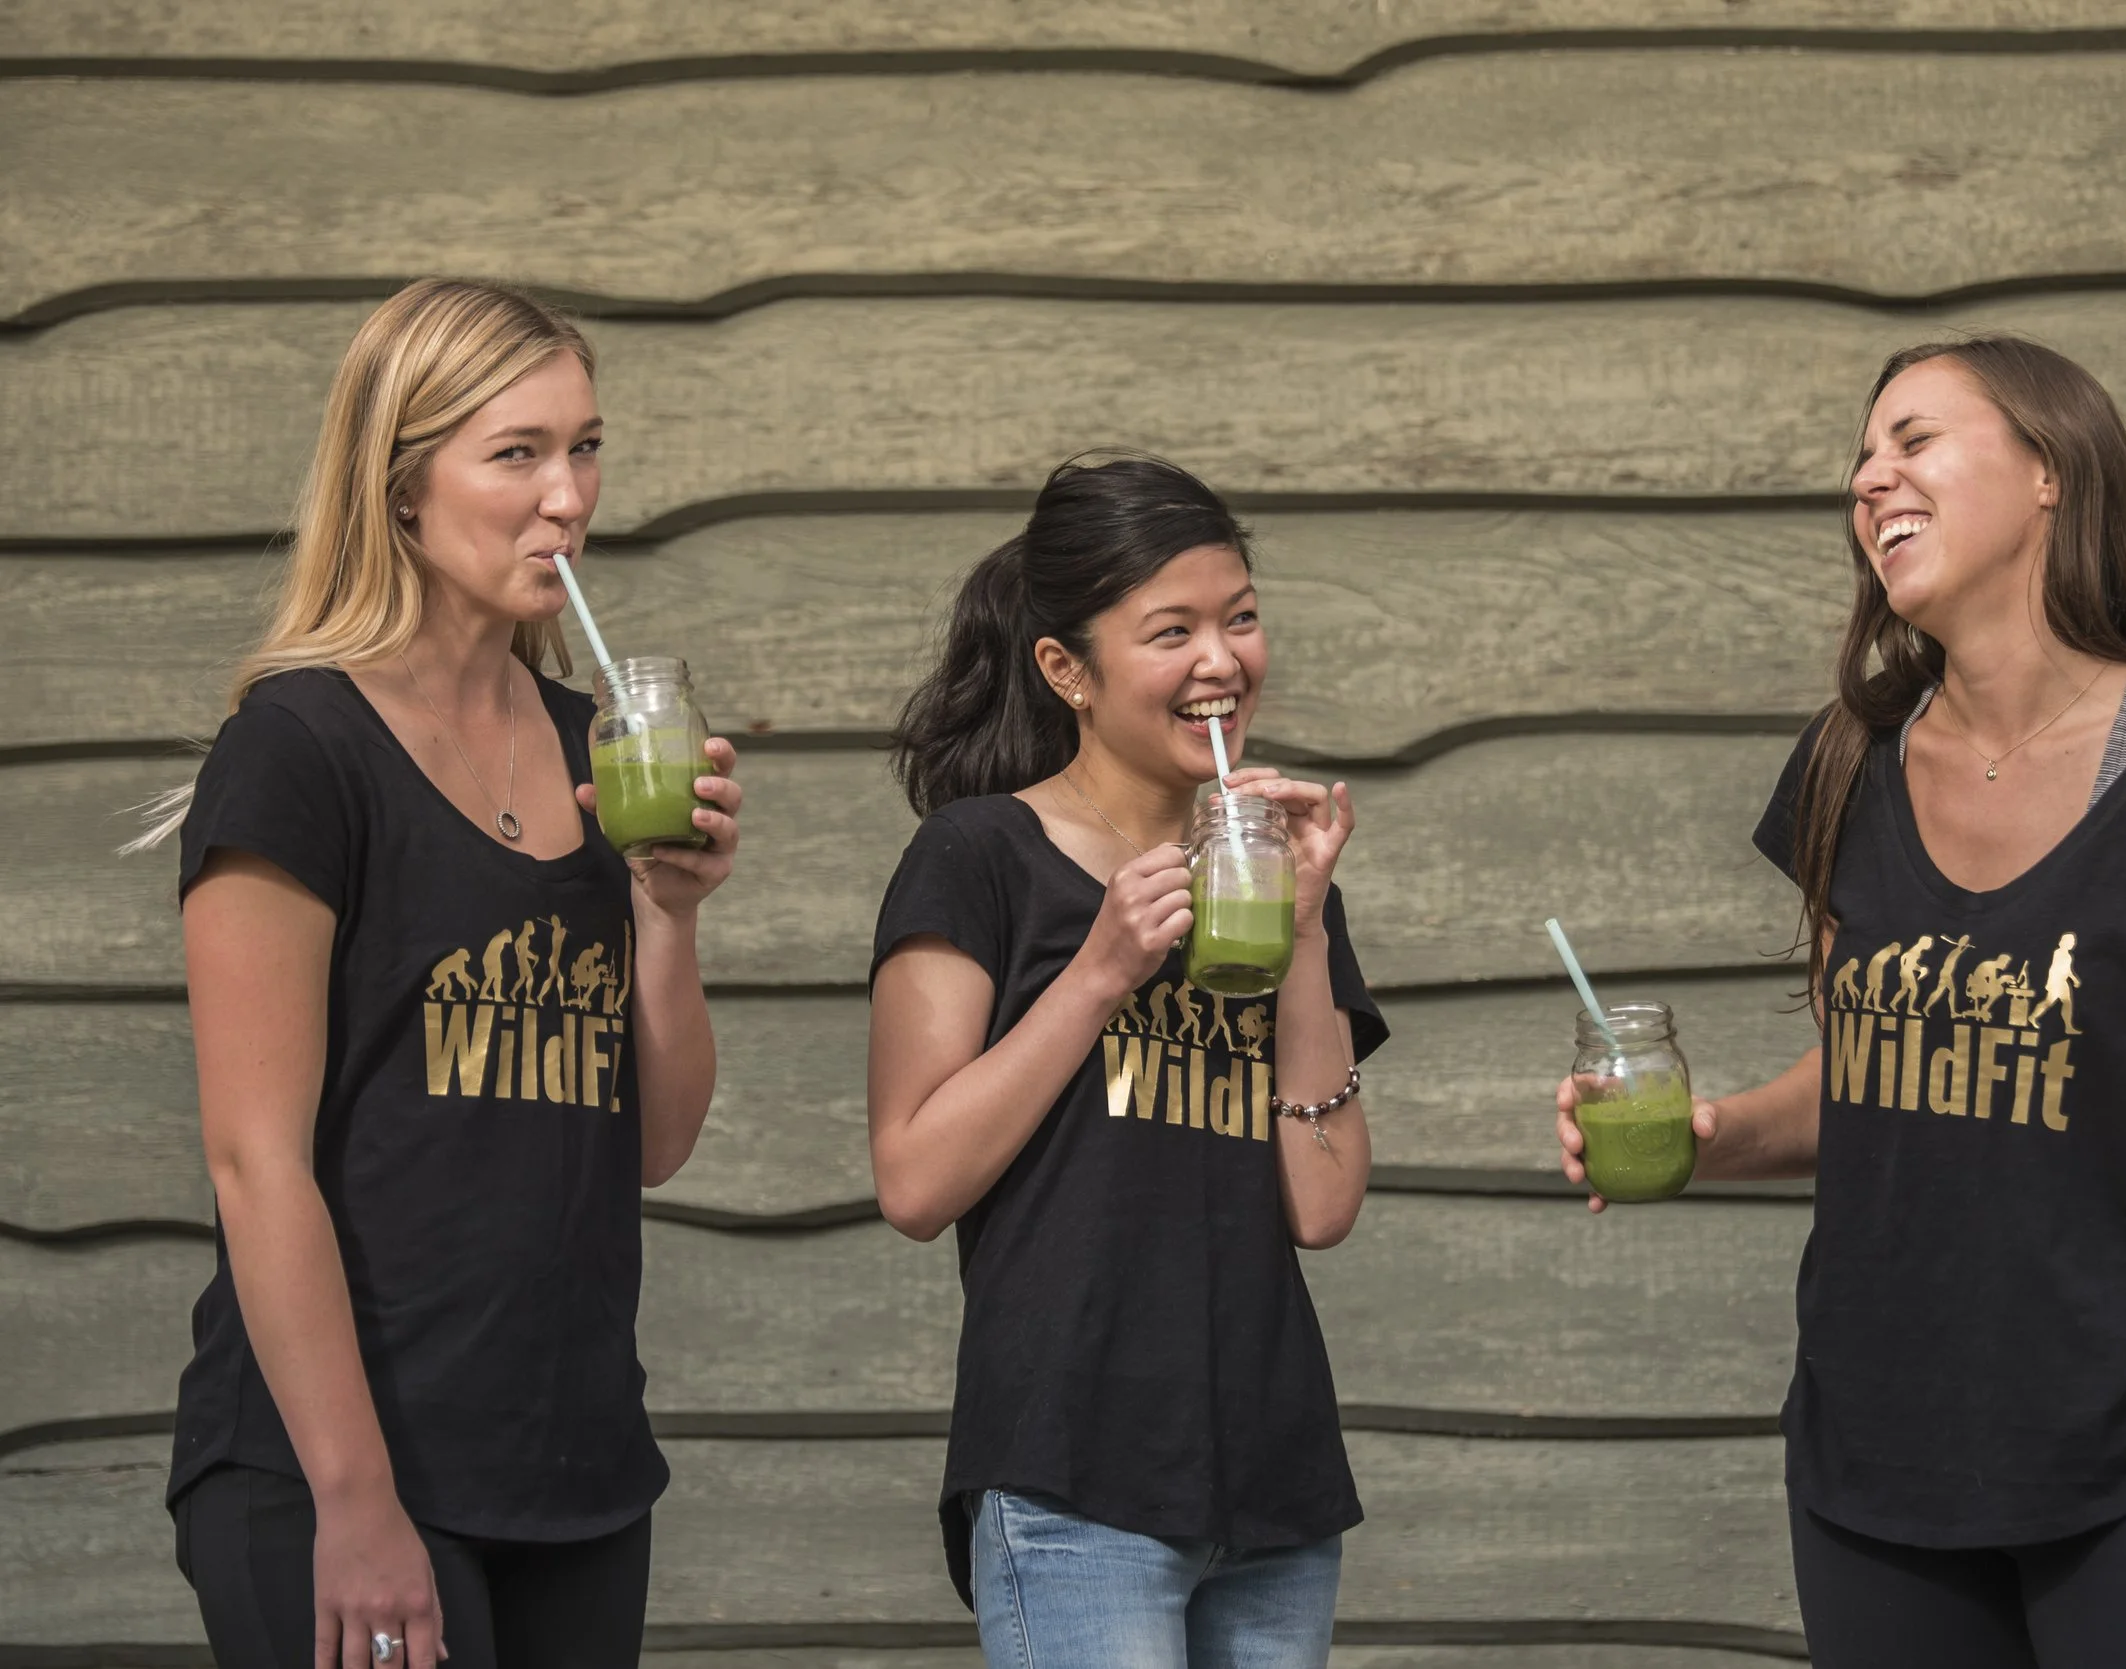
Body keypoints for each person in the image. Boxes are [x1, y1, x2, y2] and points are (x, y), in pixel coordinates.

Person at [1558, 337, 2126, 1669]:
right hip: (1875, 1467)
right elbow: (1878, 1073)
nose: (1872, 480)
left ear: (2049, 471)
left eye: (1913, 439)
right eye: (1862, 457)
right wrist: (1709, 1130)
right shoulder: (1845, 763)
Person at [141, 279, 744, 1668]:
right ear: (403, 485)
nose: (568, 498)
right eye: (517, 452)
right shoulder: (300, 749)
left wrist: (668, 911)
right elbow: (254, 1164)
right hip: (332, 1466)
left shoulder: (603, 746)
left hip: (572, 1460)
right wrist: (353, 1503)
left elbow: (650, 1142)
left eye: (585, 446)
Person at [868, 455, 1384, 1669]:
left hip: (1273, 1482)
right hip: (1071, 1475)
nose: (1222, 660)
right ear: (1068, 671)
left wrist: (1304, 930)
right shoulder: (980, 854)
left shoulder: (1274, 869)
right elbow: (912, 1180)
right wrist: (1099, 970)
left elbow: (1321, 1203)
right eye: (1173, 631)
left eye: (1240, 618)